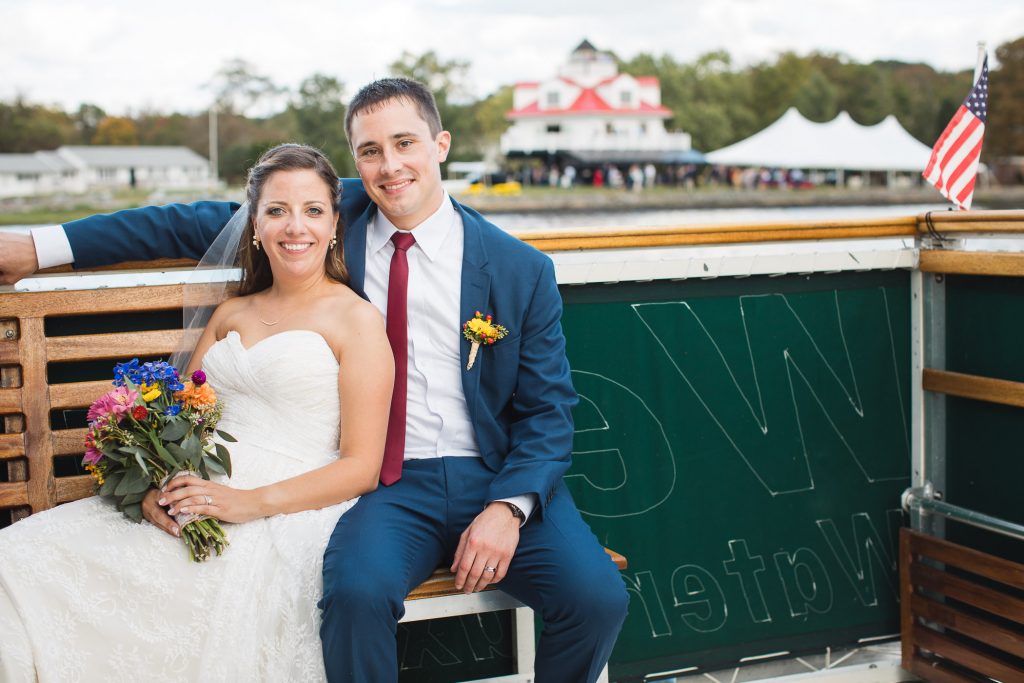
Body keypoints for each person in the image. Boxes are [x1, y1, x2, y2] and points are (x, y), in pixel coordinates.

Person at [0, 77, 629, 683]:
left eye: (406, 143)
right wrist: (38, 247)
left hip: (493, 475)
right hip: (387, 481)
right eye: (370, 151)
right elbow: (178, 223)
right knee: (354, 595)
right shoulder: (330, 215)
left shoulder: (520, 269)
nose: (390, 166)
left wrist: (507, 508)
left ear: (440, 146)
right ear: (355, 159)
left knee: (598, 599)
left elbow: (548, 412)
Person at [0, 144, 394, 682]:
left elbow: (360, 468)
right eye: (276, 210)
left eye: (312, 210)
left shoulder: (358, 320)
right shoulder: (231, 312)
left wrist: (247, 503)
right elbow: (175, 416)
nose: (294, 226)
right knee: (16, 557)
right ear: (254, 224)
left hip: (286, 505)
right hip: (195, 489)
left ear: (333, 225)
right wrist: (147, 490)